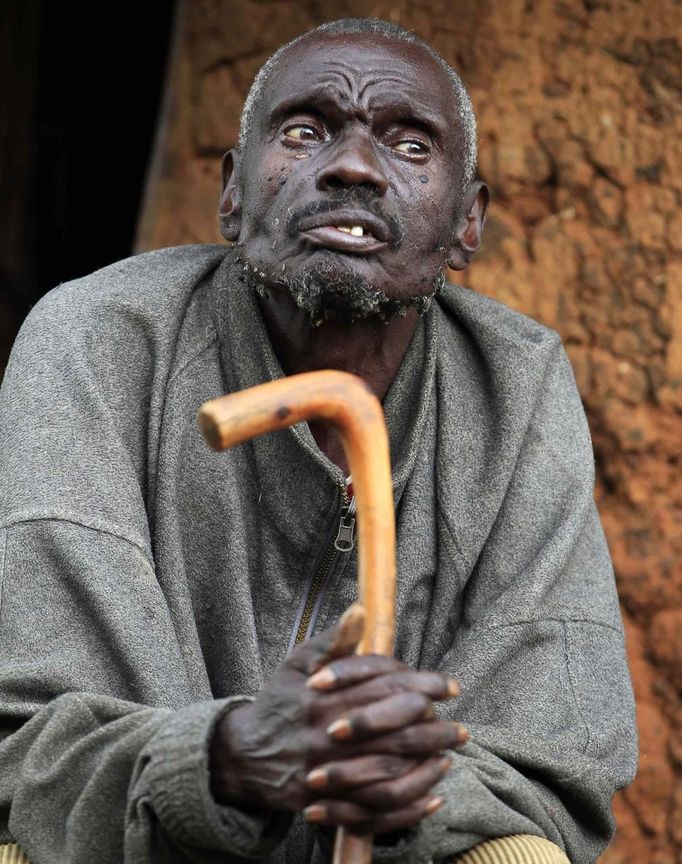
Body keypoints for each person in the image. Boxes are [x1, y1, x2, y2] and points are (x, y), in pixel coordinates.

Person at [0, 17, 637, 864]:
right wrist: (224, 757)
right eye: (305, 131)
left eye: (410, 146)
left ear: (467, 223)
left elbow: (556, 752)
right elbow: (29, 737)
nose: (350, 166)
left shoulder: (516, 385)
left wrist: (400, 790)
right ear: (233, 193)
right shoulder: (96, 339)